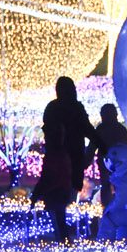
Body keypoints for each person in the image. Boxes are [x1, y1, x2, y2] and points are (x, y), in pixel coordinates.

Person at [30, 77, 92, 240]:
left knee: (58, 197)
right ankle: (64, 234)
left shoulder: (54, 108)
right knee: (63, 197)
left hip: (59, 155)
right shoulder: (76, 107)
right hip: (72, 156)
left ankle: (63, 235)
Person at [91, 103, 127, 210]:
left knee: (107, 186)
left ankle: (109, 210)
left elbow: (92, 147)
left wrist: (85, 161)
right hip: (120, 165)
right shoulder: (120, 129)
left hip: (107, 163)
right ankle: (120, 209)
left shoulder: (101, 129)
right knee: (120, 186)